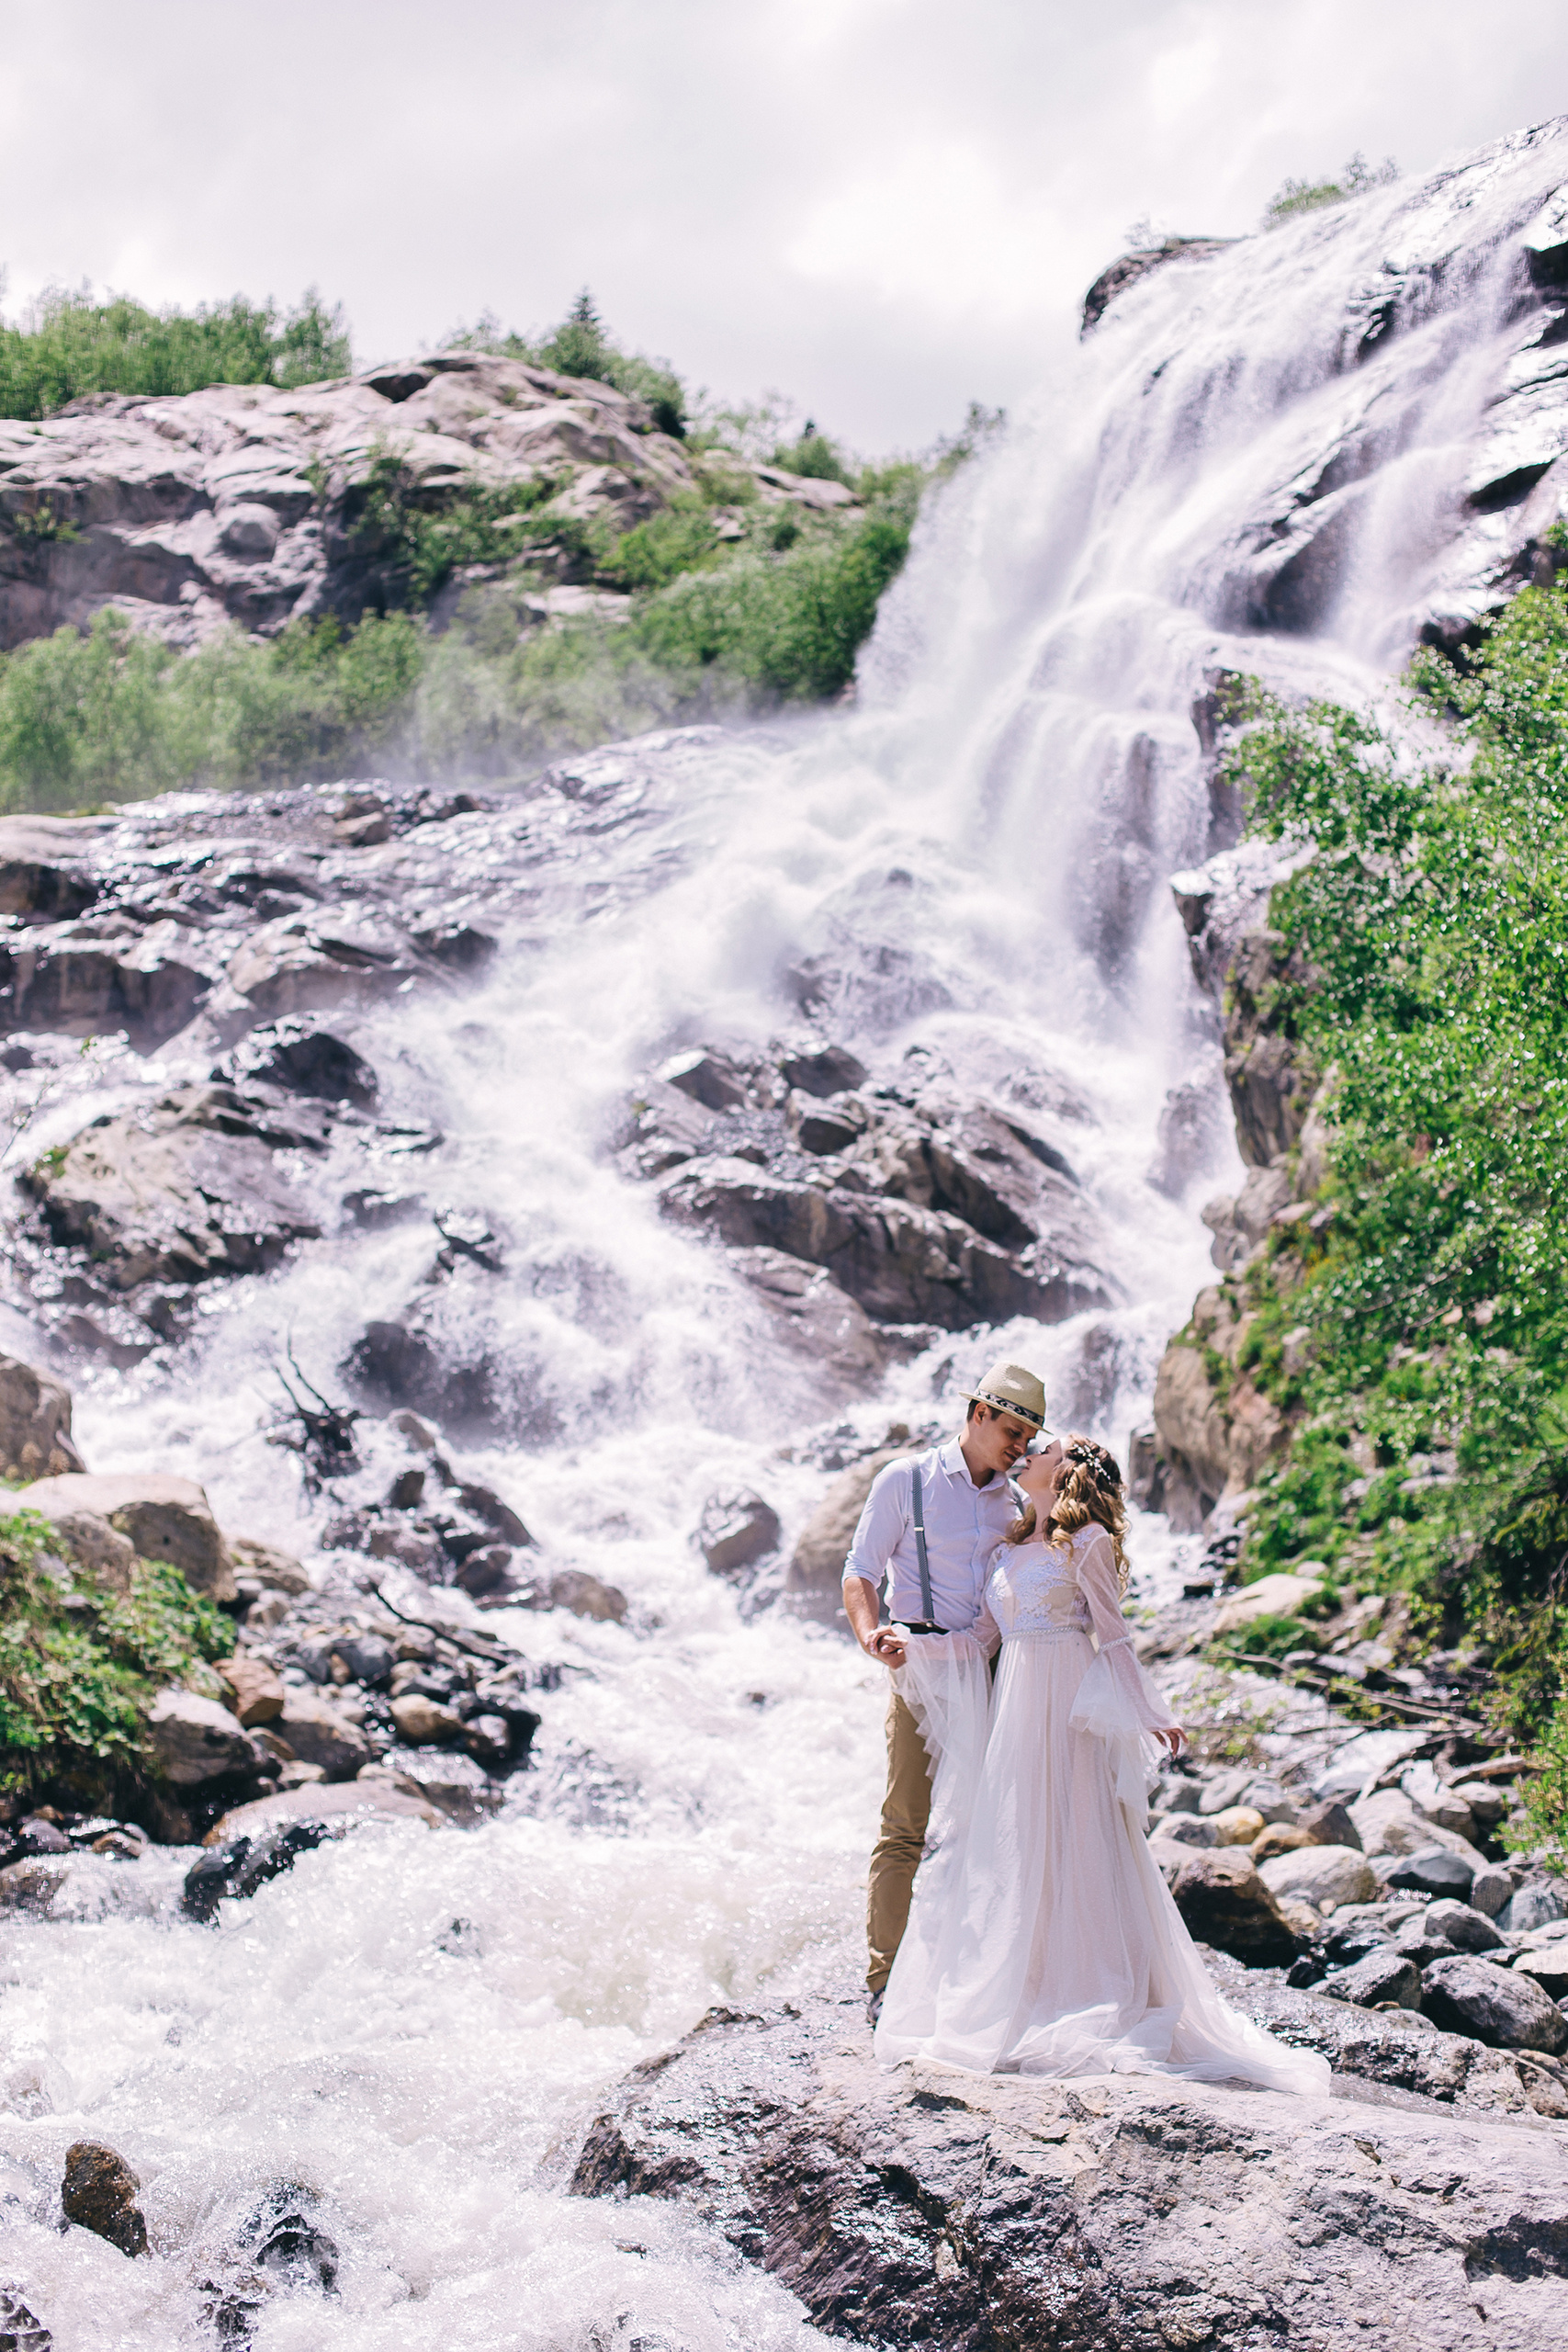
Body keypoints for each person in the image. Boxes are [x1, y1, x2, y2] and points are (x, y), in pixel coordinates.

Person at [872, 1434, 1331, 2093]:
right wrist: (910, 1647)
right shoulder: (1005, 1550)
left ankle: (1089, 1987)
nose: (1025, 1451)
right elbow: (978, 1639)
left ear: (1064, 1472)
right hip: (1015, 1712)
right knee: (1020, 1842)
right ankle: (1026, 1986)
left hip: (1067, 1701)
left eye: (1043, 1448)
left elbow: (1112, 1634)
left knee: (1079, 1835)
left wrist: (1151, 1710)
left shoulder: (1083, 1540)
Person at [840, 1360, 1047, 2023]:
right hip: (920, 1666)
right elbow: (860, 1570)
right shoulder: (906, 1480)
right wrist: (870, 1635)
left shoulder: (1019, 1501)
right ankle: (884, 1982)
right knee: (904, 1824)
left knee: (994, 1826)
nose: (1019, 1447)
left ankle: (977, 1972)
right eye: (1012, 1430)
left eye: (1028, 1437)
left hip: (993, 1671)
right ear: (978, 1414)